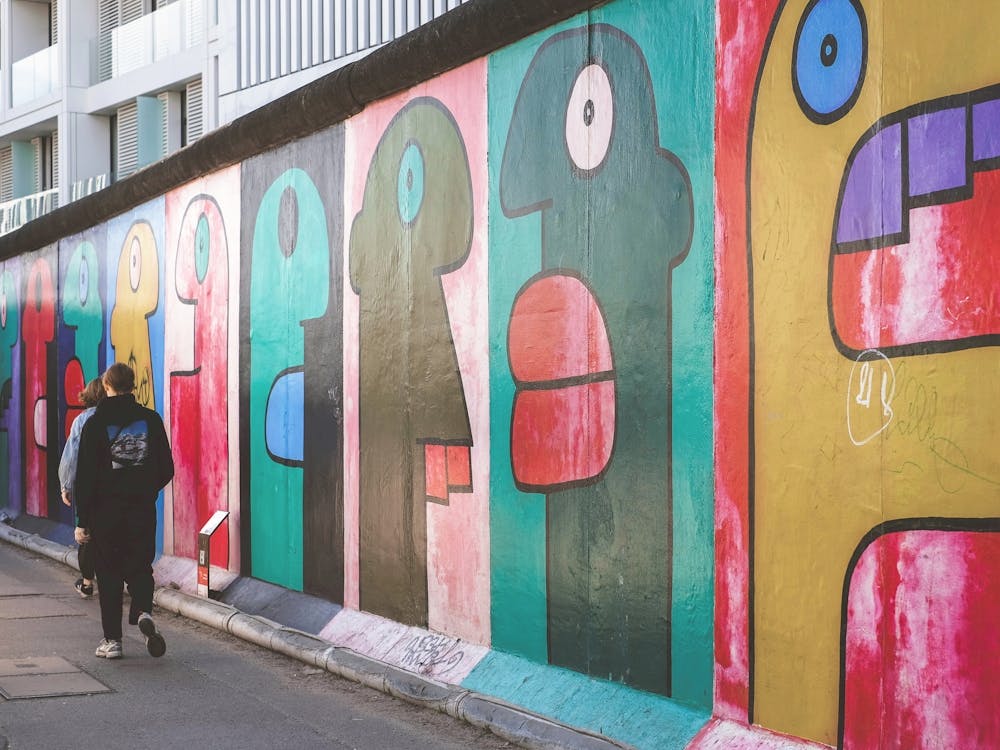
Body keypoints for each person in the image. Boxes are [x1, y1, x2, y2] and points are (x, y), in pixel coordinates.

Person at [74, 363, 174, 660]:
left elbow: (86, 476)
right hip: (141, 510)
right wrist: (146, 490)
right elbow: (166, 468)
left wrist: (83, 520)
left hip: (106, 514)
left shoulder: (94, 423)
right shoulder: (151, 420)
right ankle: (143, 611)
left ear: (106, 387)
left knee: (109, 575)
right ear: (133, 386)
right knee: (141, 566)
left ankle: (113, 641)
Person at [59, 377, 106, 599]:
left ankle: (87, 582)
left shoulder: (82, 420)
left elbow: (71, 456)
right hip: (116, 487)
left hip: (87, 485)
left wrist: (65, 485)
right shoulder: (118, 419)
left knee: (86, 531)